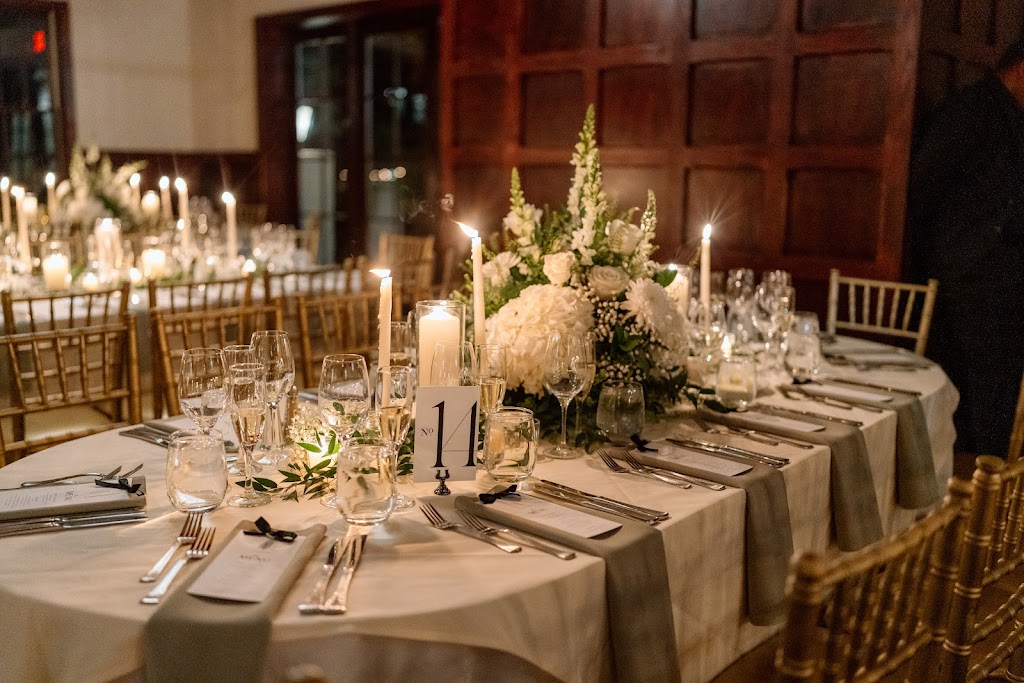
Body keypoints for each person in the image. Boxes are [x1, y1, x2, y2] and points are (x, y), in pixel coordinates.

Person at [907, 37, 1024, 456]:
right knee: (975, 404)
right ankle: (973, 482)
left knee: (998, 400)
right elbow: (923, 185)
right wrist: (962, 249)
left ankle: (990, 480)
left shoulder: (1012, 117)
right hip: (967, 286)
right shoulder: (971, 111)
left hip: (1001, 287)